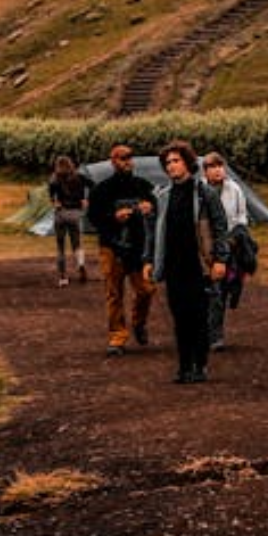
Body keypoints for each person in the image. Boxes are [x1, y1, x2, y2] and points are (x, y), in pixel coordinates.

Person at [144, 142, 229, 384]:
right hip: (173, 266)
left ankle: (200, 365)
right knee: (179, 317)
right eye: (168, 163)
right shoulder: (163, 196)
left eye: (176, 161)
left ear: (187, 162)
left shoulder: (205, 193)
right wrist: (149, 260)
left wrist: (220, 259)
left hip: (199, 265)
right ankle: (183, 366)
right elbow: (153, 232)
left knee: (199, 317)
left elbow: (220, 227)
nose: (171, 166)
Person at [89, 145, 157, 355]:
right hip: (111, 247)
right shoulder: (101, 189)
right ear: (113, 161)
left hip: (137, 248)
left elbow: (157, 206)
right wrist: (114, 217)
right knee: (114, 293)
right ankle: (117, 338)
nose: (127, 161)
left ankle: (138, 322)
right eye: (122, 158)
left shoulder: (143, 186)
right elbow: (93, 218)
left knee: (146, 290)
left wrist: (150, 207)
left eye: (129, 157)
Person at [201, 152, 254, 348]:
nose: (218, 171)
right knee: (206, 290)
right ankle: (206, 332)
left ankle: (215, 335)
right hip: (205, 246)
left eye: (220, 166)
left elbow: (242, 216)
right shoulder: (200, 190)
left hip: (227, 245)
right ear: (205, 171)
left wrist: (234, 238)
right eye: (213, 167)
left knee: (220, 290)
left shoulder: (234, 189)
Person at [47, 155, 89, 287]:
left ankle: (63, 278)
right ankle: (81, 265)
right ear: (71, 164)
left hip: (61, 214)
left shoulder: (54, 178)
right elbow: (94, 185)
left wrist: (55, 203)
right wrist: (85, 199)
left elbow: (51, 196)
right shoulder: (79, 177)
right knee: (77, 244)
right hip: (75, 214)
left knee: (60, 248)